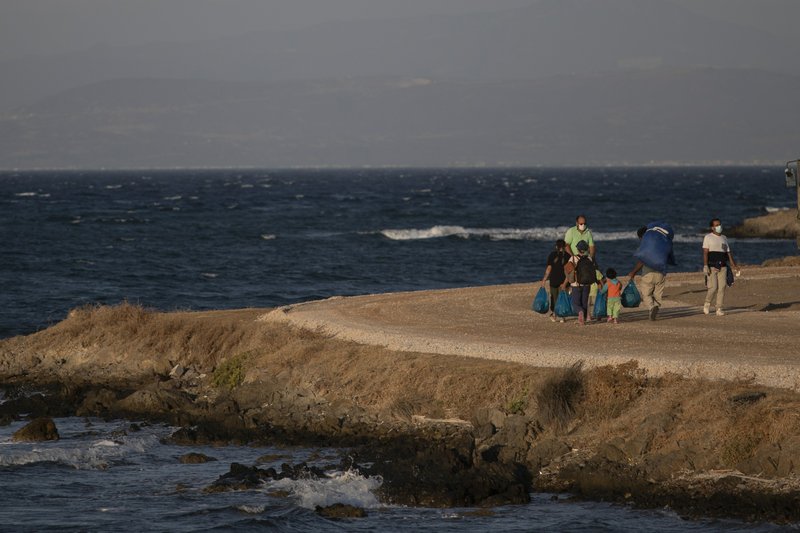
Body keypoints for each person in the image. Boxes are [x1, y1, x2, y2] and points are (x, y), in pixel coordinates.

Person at [628, 223, 675, 321]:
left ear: (642, 237)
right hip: (661, 272)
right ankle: (656, 305)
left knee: (646, 293)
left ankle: (651, 307)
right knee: (658, 293)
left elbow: (641, 261)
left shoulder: (645, 246)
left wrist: (633, 272)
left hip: (648, 272)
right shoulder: (661, 244)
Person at [702, 218, 739, 316]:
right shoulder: (708, 237)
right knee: (713, 287)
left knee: (722, 287)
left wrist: (734, 265)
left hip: (723, 266)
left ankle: (719, 308)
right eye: (717, 225)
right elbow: (705, 253)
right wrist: (705, 266)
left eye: (720, 224)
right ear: (712, 227)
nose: (719, 227)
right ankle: (707, 303)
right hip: (712, 266)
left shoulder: (724, 238)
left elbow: (728, 253)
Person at [567, 240, 597, 325]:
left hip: (576, 284)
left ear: (577, 249)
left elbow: (568, 270)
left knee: (575, 303)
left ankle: (580, 313)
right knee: (584, 302)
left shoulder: (573, 258)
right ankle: (582, 320)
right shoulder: (590, 258)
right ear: (587, 249)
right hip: (587, 284)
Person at [541, 239, 570, 322]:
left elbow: (549, 268)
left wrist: (544, 279)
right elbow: (569, 272)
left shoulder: (552, 255)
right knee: (563, 298)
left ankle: (554, 315)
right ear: (564, 247)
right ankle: (562, 317)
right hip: (563, 281)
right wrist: (565, 283)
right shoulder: (568, 256)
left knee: (554, 298)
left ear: (556, 246)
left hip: (553, 280)